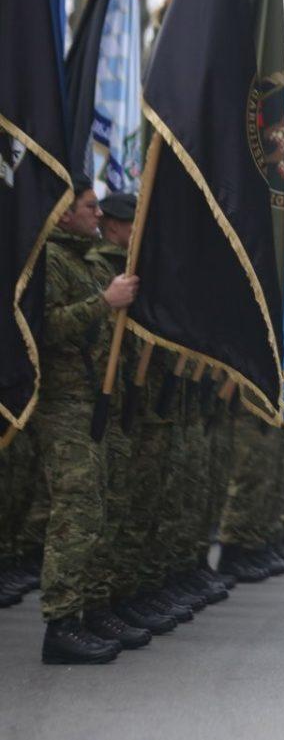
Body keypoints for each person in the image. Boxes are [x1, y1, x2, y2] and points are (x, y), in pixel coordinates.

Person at [35, 178, 142, 664]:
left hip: (93, 404)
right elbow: (48, 327)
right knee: (74, 516)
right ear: (62, 214)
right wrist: (104, 302)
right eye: (89, 206)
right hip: (65, 405)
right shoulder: (51, 261)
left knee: (95, 513)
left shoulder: (82, 261)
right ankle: (60, 625)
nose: (97, 215)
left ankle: (88, 612)